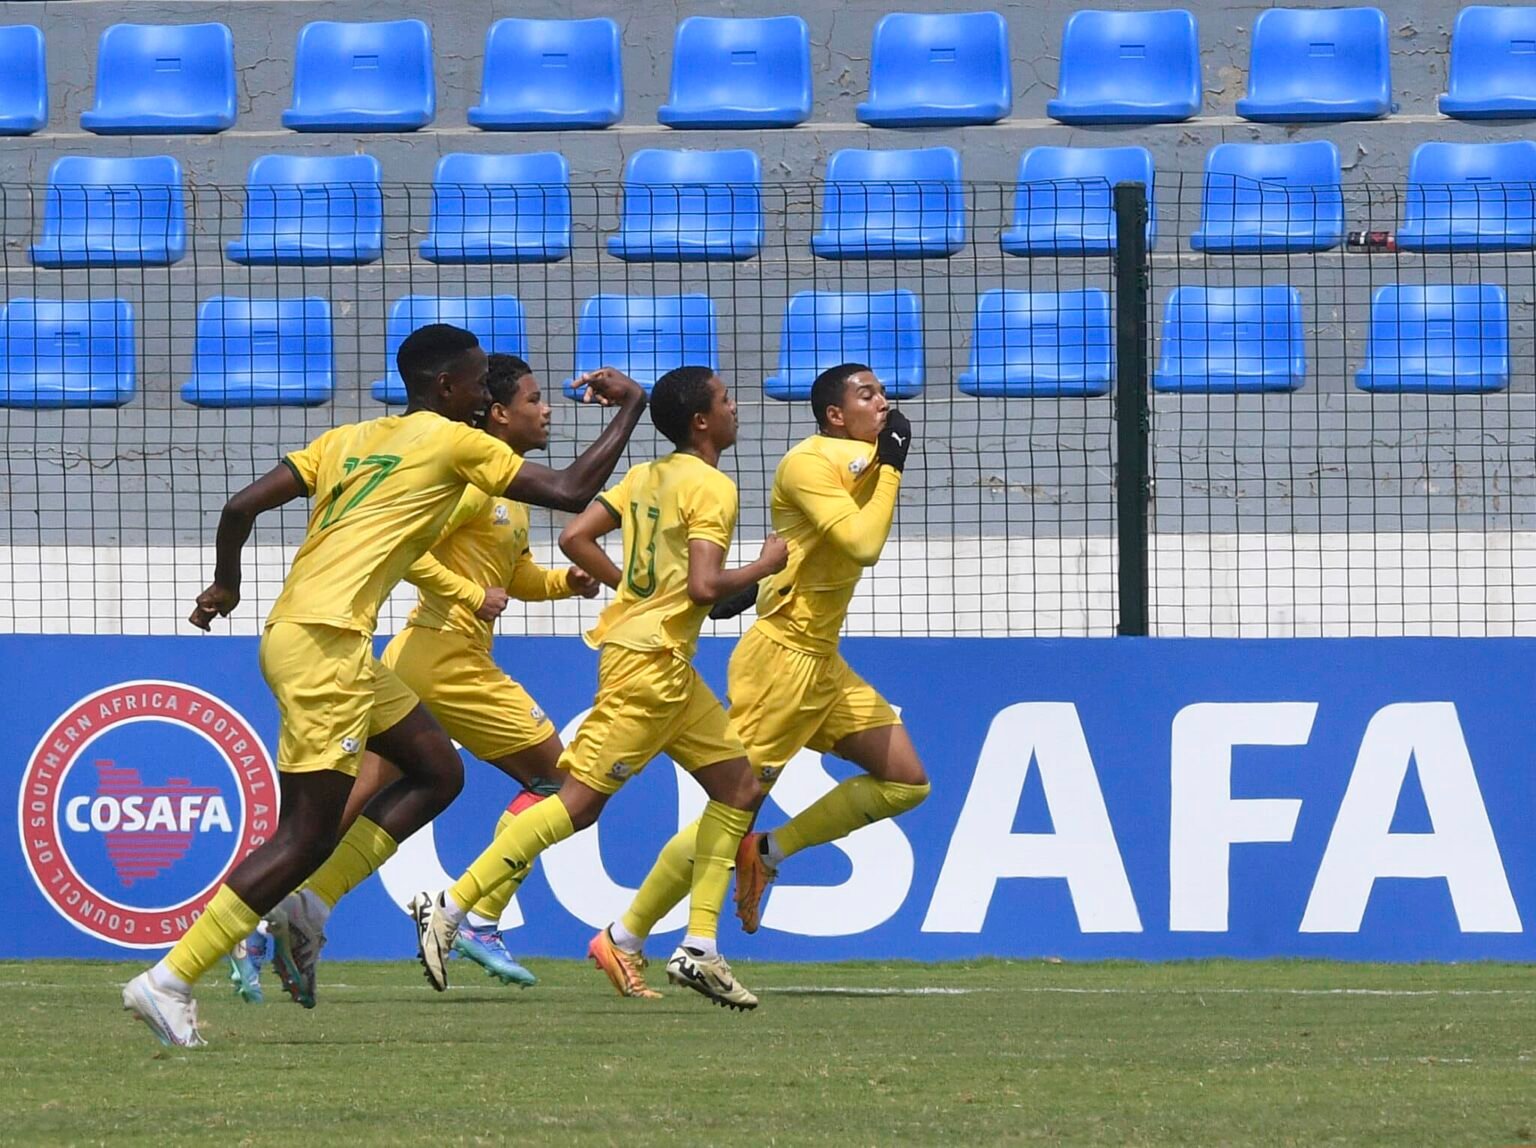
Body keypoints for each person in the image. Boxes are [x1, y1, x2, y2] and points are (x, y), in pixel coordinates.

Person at [121, 324, 646, 1047]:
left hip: (315, 637)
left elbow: (241, 506)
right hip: (327, 649)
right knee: (304, 837)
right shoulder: (451, 440)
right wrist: (632, 406)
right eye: (475, 382)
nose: (482, 392)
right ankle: (170, 978)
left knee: (437, 770)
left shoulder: (346, 438)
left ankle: (306, 908)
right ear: (446, 390)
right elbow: (571, 489)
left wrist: (225, 585)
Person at [410, 366, 786, 1011]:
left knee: (741, 788)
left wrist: (634, 592)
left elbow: (574, 536)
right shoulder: (714, 488)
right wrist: (765, 565)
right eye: (727, 400)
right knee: (576, 803)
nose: (736, 408)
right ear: (702, 421)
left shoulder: (646, 475)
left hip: (662, 660)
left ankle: (699, 945)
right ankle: (452, 904)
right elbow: (703, 587)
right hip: (648, 666)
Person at [228, 353, 599, 1005]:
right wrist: (463, 593)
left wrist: (565, 583)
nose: (548, 411)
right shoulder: (464, 472)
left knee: (332, 818)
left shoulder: (505, 494)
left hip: (426, 660)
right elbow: (411, 551)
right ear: (498, 411)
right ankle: (474, 916)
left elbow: (513, 580)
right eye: (536, 399)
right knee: (563, 784)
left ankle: (264, 930)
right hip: (442, 656)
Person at [590, 363, 928, 992]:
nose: (883, 401)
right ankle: (625, 935)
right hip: (781, 662)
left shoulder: (861, 460)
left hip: (823, 661)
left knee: (907, 782)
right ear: (834, 414)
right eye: (867, 394)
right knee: (731, 802)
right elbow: (862, 544)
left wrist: (883, 462)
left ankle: (767, 854)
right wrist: (895, 466)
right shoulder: (808, 462)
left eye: (884, 391)